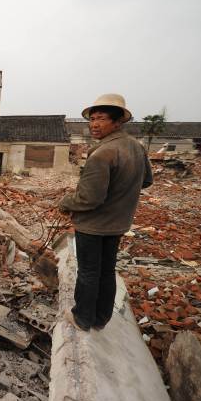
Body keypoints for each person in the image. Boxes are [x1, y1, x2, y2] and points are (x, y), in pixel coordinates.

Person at [59, 93, 153, 332]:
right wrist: (121, 192)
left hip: (94, 226)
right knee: (107, 271)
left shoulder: (102, 154)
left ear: (117, 122)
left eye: (101, 119)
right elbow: (146, 181)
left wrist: (65, 202)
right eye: (92, 119)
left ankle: (82, 319)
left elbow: (89, 198)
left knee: (89, 272)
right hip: (118, 223)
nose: (94, 124)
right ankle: (100, 319)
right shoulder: (136, 147)